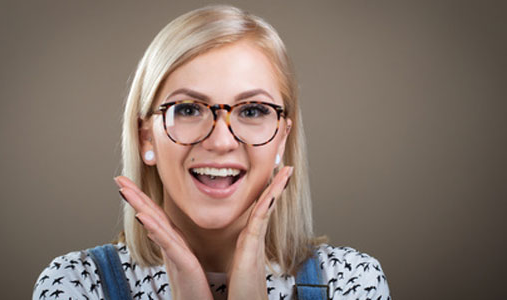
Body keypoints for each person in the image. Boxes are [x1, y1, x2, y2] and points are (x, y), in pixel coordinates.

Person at [32, 5, 390, 300]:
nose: (220, 142)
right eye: (188, 109)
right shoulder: (77, 284)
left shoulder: (349, 283)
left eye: (252, 111)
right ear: (146, 139)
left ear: (282, 138)